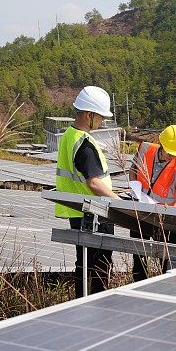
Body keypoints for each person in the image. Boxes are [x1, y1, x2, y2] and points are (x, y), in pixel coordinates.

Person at [54, 85, 120, 298]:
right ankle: (99, 307)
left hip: (77, 212)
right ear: (89, 115)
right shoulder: (85, 144)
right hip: (94, 214)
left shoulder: (68, 136)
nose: (101, 121)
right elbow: (93, 183)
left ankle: (80, 304)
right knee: (99, 265)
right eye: (100, 117)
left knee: (83, 264)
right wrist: (119, 201)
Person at [128, 124, 176, 281]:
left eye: (175, 154)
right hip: (141, 212)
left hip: (163, 220)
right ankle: (138, 286)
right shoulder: (145, 150)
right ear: (162, 144)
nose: (172, 157)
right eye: (170, 153)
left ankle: (162, 285)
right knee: (139, 258)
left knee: (164, 260)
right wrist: (134, 190)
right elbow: (132, 171)